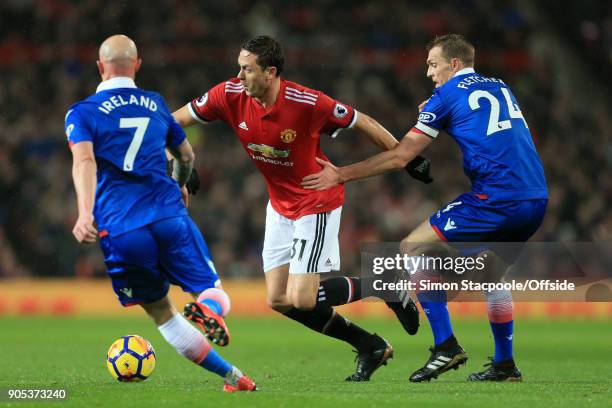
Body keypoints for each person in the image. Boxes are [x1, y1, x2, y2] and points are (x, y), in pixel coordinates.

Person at [173, 35, 431, 382]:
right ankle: (369, 345)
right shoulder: (229, 94)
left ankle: (382, 282)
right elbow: (171, 123)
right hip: (279, 205)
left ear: (270, 72)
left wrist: (406, 156)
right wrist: (181, 162)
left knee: (302, 298)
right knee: (280, 300)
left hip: (315, 200)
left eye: (247, 69)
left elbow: (362, 121)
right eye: (239, 67)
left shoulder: (307, 102)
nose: (238, 76)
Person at [302, 34, 548, 382]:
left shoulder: (446, 95)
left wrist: (340, 174)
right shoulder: (499, 85)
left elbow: (402, 155)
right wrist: (439, 106)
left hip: (496, 197)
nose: (429, 73)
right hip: (535, 196)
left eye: (434, 64)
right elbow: (477, 117)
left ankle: (445, 345)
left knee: (411, 248)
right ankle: (505, 365)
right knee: (492, 275)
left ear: (455, 64)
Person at [67, 34, 256, 392]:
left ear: (99, 67)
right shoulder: (155, 105)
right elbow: (186, 156)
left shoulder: (82, 112)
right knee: (212, 291)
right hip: (169, 216)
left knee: (162, 314)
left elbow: (85, 160)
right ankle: (211, 310)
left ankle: (234, 377)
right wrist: (182, 184)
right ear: (137, 66)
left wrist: (84, 212)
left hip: (121, 229)